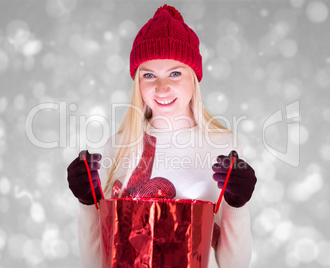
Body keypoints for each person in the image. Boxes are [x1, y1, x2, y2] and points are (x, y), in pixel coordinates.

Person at [67, 4, 257, 268]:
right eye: (149, 75)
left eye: (175, 73)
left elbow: (233, 265)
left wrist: (237, 206)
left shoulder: (223, 146)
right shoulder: (118, 146)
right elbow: (95, 263)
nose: (162, 87)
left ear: (194, 78)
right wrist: (87, 203)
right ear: (138, 83)